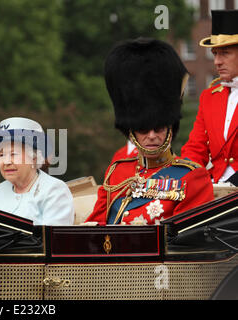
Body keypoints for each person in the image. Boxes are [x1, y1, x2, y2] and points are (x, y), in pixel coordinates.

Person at [86, 38, 214, 226]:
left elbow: (184, 243)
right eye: (143, 129)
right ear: (131, 132)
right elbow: (96, 226)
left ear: (170, 127)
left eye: (159, 128)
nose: (152, 135)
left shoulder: (192, 176)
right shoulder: (118, 171)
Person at [181, 10, 238, 186]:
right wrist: (181, 177)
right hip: (216, 187)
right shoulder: (209, 97)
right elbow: (196, 148)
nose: (217, 62)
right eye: (215, 53)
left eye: (225, 53)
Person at [0, 117, 74, 226]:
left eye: (14, 154)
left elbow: (53, 240)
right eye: (1, 155)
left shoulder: (54, 190)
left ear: (34, 157)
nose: (6, 162)